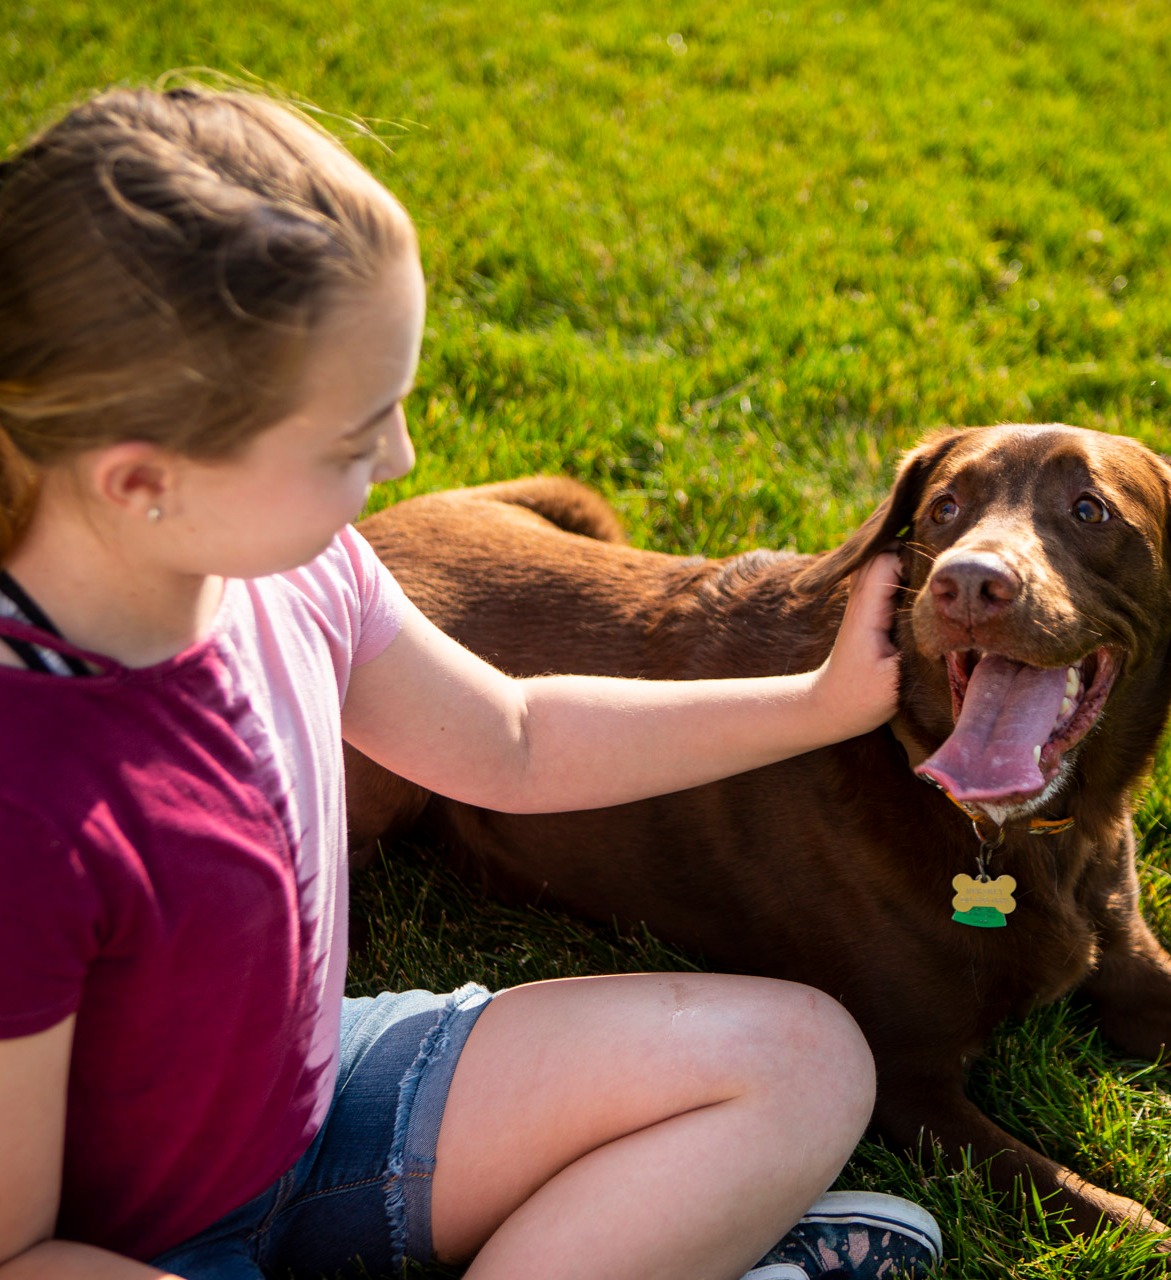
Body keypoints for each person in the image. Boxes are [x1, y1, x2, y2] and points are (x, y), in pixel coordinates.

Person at [0, 84, 942, 1280]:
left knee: (809, 1059)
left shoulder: (297, 571)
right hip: (127, 1246)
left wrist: (815, 703)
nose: (399, 460)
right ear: (144, 481)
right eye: (353, 440)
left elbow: (514, 736)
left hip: (308, 1109)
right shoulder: (24, 802)